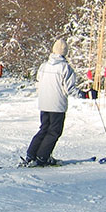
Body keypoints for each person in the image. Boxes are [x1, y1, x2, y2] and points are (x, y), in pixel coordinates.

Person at [25, 38, 79, 167]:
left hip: (44, 104)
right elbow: (69, 88)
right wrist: (85, 94)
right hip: (57, 105)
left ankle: (31, 154)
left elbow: (38, 83)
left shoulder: (44, 66)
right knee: (54, 131)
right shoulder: (65, 68)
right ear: (65, 52)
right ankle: (42, 157)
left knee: (44, 128)